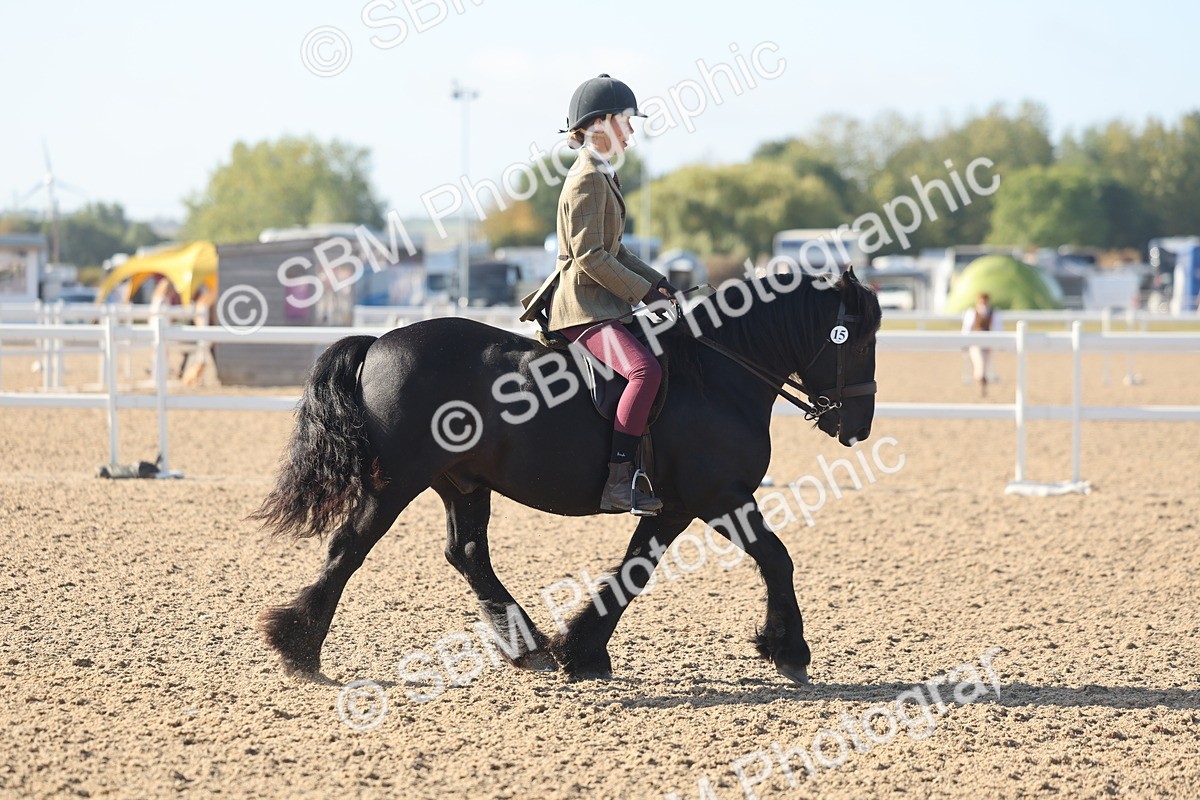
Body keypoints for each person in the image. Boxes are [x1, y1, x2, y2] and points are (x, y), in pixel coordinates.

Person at [520, 74, 677, 515]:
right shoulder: (587, 177)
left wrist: (657, 282)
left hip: (601, 301)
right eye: (627, 121)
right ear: (602, 124)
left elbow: (616, 249)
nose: (631, 131)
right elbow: (590, 256)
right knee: (644, 372)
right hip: (582, 307)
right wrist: (643, 293)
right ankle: (618, 480)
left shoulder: (603, 173)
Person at [962, 292, 1001, 396]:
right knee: (979, 363)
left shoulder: (993, 313)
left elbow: (997, 328)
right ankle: (981, 380)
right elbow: (967, 328)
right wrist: (965, 341)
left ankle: (983, 382)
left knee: (985, 365)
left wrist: (997, 341)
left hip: (988, 343)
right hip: (976, 342)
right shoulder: (972, 312)